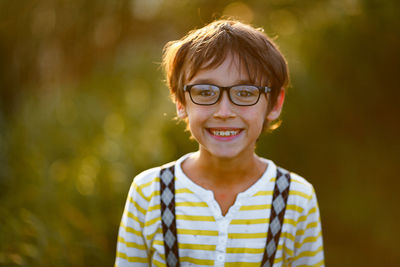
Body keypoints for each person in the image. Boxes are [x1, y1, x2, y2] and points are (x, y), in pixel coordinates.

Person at [115, 19, 324, 266]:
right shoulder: (148, 193)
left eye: (245, 93)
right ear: (181, 102)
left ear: (275, 103)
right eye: (205, 92)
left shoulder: (297, 200)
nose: (224, 112)